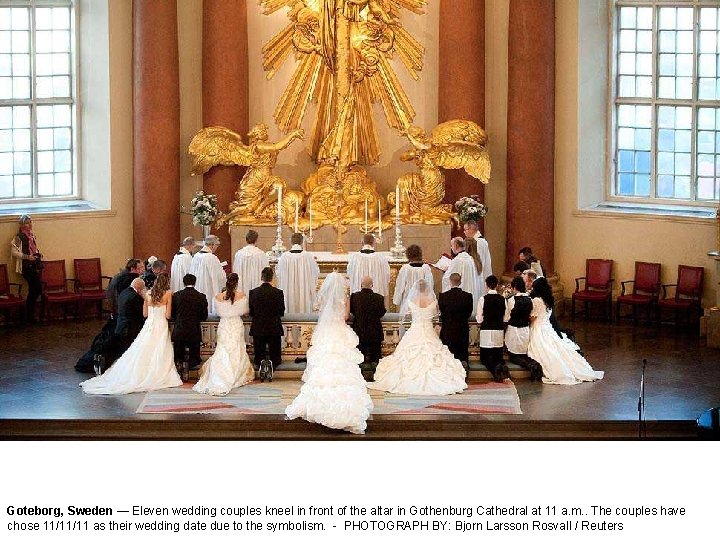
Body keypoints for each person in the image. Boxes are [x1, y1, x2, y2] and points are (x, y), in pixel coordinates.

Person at [286, 272, 374, 435]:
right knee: (343, 364)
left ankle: (319, 403)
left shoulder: (325, 298)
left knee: (324, 365)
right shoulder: (345, 298)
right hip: (340, 332)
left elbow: (321, 312)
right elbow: (346, 316)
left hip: (326, 333)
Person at [80, 274, 182, 394]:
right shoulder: (168, 293)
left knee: (143, 348)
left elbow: (145, 314)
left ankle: (139, 372)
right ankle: (157, 371)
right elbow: (168, 315)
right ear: (167, 282)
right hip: (161, 325)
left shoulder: (148, 294)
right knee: (160, 348)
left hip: (149, 325)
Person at [368, 279, 467, 395]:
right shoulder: (433, 302)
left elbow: (408, 316)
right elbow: (435, 317)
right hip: (429, 331)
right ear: (427, 289)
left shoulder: (411, 301)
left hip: (415, 331)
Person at [527, 277, 604, 385]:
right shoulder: (548, 299)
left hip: (538, 328)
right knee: (557, 348)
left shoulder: (536, 301)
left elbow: (533, 317)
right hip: (547, 327)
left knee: (543, 349)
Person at [193, 273, 255, 396]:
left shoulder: (218, 296)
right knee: (237, 348)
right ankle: (236, 372)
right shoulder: (241, 295)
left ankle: (219, 374)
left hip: (224, 324)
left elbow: (217, 312)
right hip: (236, 324)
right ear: (237, 283)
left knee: (222, 349)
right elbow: (245, 311)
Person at [504, 276, 544, 382]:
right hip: (525, 330)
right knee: (523, 354)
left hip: (514, 331)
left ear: (514, 287)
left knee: (513, 356)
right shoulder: (530, 300)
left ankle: (531, 366)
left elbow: (507, 317)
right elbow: (531, 315)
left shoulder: (512, 300)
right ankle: (534, 364)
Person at [249, 266, 285, 369]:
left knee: (259, 355)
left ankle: (261, 368)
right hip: (274, 327)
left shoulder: (253, 292)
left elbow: (252, 311)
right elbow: (281, 311)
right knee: (275, 357)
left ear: (261, 277)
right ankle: (272, 368)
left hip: (258, 327)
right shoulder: (278, 292)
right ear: (272, 278)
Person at [171, 273, 209, 371]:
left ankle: (180, 372)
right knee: (194, 358)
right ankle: (191, 371)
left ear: (183, 283)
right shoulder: (201, 296)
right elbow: (204, 316)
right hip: (194, 330)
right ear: (195, 282)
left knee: (178, 356)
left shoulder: (176, 295)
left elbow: (173, 314)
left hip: (179, 328)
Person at [475, 275, 510, 382]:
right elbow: (506, 317)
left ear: (486, 285)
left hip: (486, 331)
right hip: (499, 331)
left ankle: (495, 371)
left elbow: (479, 319)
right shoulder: (502, 299)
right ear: (497, 286)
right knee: (497, 357)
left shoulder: (483, 299)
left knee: (485, 358)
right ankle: (501, 369)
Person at [276, 232, 320, 314]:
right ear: (302, 242)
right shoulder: (308, 257)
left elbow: (279, 274)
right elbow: (316, 273)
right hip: (304, 292)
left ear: (291, 242)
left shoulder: (284, 257)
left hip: (288, 292)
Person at [10, 215, 43, 323]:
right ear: (21, 224)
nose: (28, 225)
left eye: (29, 222)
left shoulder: (32, 235)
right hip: (25, 266)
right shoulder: (19, 237)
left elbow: (33, 248)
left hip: (33, 265)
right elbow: (14, 252)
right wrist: (27, 257)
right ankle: (29, 314)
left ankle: (29, 315)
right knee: (36, 288)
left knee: (35, 289)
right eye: (26, 223)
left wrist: (37, 254)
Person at [438, 272, 474, 368]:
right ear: (460, 282)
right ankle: (464, 371)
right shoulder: (468, 296)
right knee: (462, 355)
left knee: (449, 356)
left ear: (450, 281)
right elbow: (469, 313)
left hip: (448, 330)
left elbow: (442, 313)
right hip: (462, 330)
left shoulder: (443, 296)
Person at [349, 275, 387, 365]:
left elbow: (352, 311)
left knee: (359, 359)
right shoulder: (379, 298)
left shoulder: (354, 297)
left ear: (361, 285)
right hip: (375, 334)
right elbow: (382, 312)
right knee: (375, 359)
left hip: (359, 332)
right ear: (372, 285)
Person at [441, 237, 480, 316]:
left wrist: (445, 271)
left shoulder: (458, 260)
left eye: (451, 246)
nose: (451, 248)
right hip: (469, 295)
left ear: (455, 245)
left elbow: (449, 278)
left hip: (460, 297)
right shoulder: (470, 258)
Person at [189, 235, 226, 315]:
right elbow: (220, 277)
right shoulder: (211, 258)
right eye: (217, 245)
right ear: (212, 245)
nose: (216, 247)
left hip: (197, 288)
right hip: (208, 288)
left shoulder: (196, 256)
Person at [392, 244, 433, 310]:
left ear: (408, 255)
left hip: (408, 302)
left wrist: (397, 300)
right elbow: (430, 285)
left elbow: (400, 286)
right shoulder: (426, 268)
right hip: (423, 302)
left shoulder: (405, 268)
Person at [232, 229, 269, 297]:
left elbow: (235, 271)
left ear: (246, 240)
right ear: (256, 240)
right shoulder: (261, 254)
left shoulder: (239, 254)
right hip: (257, 289)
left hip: (242, 287)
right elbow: (266, 273)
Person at [463, 219, 492, 286]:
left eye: (465, 230)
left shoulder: (478, 242)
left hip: (480, 277)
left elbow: (479, 261)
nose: (464, 232)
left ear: (471, 229)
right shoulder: (478, 241)